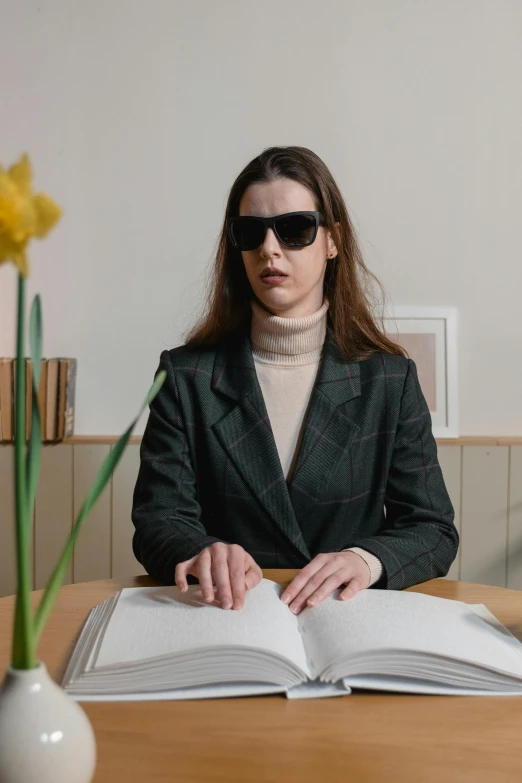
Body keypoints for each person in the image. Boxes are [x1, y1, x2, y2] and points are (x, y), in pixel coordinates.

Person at [131, 145, 458, 616]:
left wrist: (364, 560)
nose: (269, 248)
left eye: (295, 228)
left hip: (350, 624)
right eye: (250, 233)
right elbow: (158, 519)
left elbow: (433, 529)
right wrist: (201, 550)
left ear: (332, 240)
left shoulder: (389, 378)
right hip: (228, 622)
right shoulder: (187, 376)